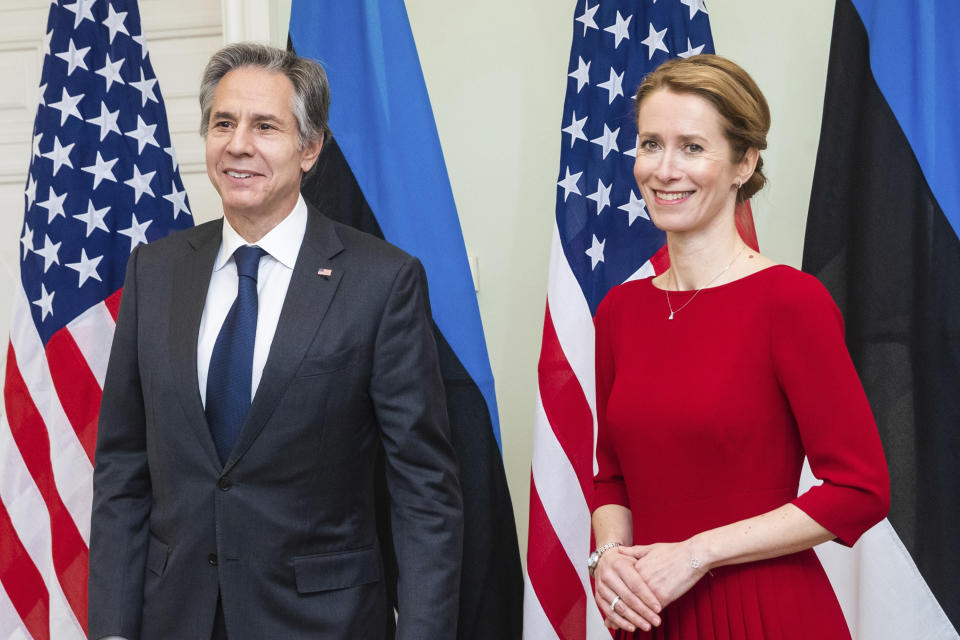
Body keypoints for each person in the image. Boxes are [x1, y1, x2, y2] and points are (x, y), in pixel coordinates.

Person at [88, 43, 463, 640]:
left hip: (324, 622)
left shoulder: (381, 281)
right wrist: (110, 628)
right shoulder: (153, 273)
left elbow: (423, 492)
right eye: (223, 124)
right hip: (174, 617)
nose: (239, 144)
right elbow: (122, 471)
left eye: (265, 126)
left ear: (309, 149)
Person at [588, 54, 890, 639]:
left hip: (763, 613)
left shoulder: (789, 302)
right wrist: (610, 559)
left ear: (743, 163)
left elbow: (860, 489)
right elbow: (612, 477)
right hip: (649, 615)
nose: (665, 169)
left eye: (693, 148)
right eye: (651, 143)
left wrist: (697, 553)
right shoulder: (621, 312)